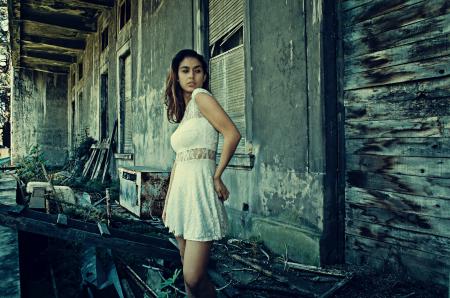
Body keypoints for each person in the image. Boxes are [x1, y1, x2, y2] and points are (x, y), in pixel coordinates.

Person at [162, 49, 241, 297]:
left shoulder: (200, 97)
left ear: (204, 76)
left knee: (193, 276)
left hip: (199, 192)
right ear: (176, 75)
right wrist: (167, 200)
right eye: (185, 70)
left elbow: (232, 134)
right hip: (181, 196)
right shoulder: (185, 113)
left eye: (197, 70)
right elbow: (178, 162)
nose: (191, 76)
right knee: (189, 278)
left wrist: (217, 175)